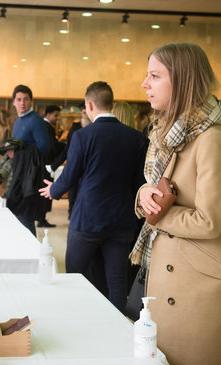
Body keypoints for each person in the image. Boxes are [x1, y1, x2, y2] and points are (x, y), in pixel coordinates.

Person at [132, 42, 221, 365]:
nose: (144, 84)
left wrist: (160, 212)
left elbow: (209, 221)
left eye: (154, 76)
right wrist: (143, 195)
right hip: (169, 281)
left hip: (195, 290)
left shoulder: (210, 140)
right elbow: (159, 191)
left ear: (180, 81)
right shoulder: (170, 137)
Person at [39, 81, 146, 313]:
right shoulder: (135, 138)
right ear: (112, 104)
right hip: (121, 219)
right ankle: (117, 328)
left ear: (89, 105)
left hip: (88, 220)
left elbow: (70, 176)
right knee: (117, 282)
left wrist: (53, 191)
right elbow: (140, 183)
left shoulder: (82, 136)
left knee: (75, 275)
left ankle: (78, 318)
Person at [9, 85, 50, 234]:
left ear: (31, 101)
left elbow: (45, 148)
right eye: (19, 99)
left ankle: (32, 254)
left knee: (25, 216)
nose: (22, 103)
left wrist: (21, 150)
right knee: (20, 216)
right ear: (13, 102)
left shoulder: (36, 120)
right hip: (19, 173)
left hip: (30, 176)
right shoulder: (18, 122)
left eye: (26, 99)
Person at [50, 102, 91, 219]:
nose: (84, 114)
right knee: (73, 191)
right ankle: (71, 214)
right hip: (75, 163)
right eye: (82, 112)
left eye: (85, 111)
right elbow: (69, 148)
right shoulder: (75, 127)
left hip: (88, 166)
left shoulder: (94, 126)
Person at [37, 105, 64, 228]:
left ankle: (41, 217)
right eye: (55, 115)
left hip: (43, 162)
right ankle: (41, 218)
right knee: (45, 189)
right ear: (48, 115)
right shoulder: (47, 127)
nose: (57, 118)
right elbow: (53, 146)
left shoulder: (45, 126)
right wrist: (64, 146)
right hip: (46, 163)